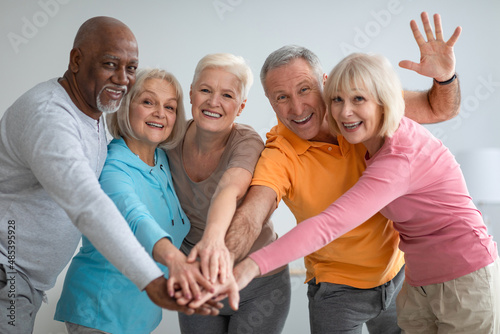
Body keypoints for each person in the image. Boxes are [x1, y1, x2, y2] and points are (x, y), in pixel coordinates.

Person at [213, 12, 461, 334]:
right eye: (282, 98)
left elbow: (440, 108)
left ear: (326, 83)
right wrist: (222, 259)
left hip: (399, 275)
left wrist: (445, 78)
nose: (297, 108)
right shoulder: (279, 153)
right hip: (337, 292)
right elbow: (252, 212)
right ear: (270, 103)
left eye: (304, 90)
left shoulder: (362, 105)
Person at [0, 17, 214, 333]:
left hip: (25, 282)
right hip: (8, 270)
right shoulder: (49, 117)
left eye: (130, 68)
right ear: (76, 60)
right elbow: (89, 206)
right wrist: (153, 280)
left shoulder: (92, 113)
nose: (122, 78)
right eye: (110, 64)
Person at [53, 68, 214, 333]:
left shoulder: (163, 160)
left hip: (141, 313)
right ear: (126, 106)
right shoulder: (112, 166)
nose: (160, 113)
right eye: (148, 102)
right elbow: (136, 218)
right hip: (100, 310)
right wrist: (176, 260)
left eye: (170, 107)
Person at [166, 53, 290, 334]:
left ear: (241, 106)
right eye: (206, 90)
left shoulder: (247, 141)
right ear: (191, 94)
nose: (213, 102)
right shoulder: (169, 139)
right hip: (199, 277)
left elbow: (230, 188)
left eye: (227, 95)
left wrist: (212, 239)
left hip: (259, 284)